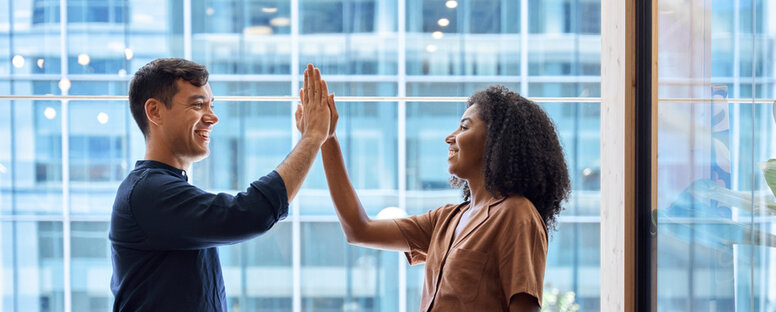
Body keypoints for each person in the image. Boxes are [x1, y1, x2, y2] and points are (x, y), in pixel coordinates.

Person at [309, 85, 570, 311]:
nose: (450, 137)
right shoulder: (445, 219)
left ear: (496, 141)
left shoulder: (517, 214)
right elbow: (358, 229)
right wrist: (327, 138)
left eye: (464, 127)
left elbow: (525, 308)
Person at [110, 58, 332, 311]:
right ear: (155, 111)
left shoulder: (164, 188)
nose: (213, 118)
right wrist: (313, 137)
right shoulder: (148, 192)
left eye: (211, 106)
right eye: (198, 105)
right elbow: (249, 214)